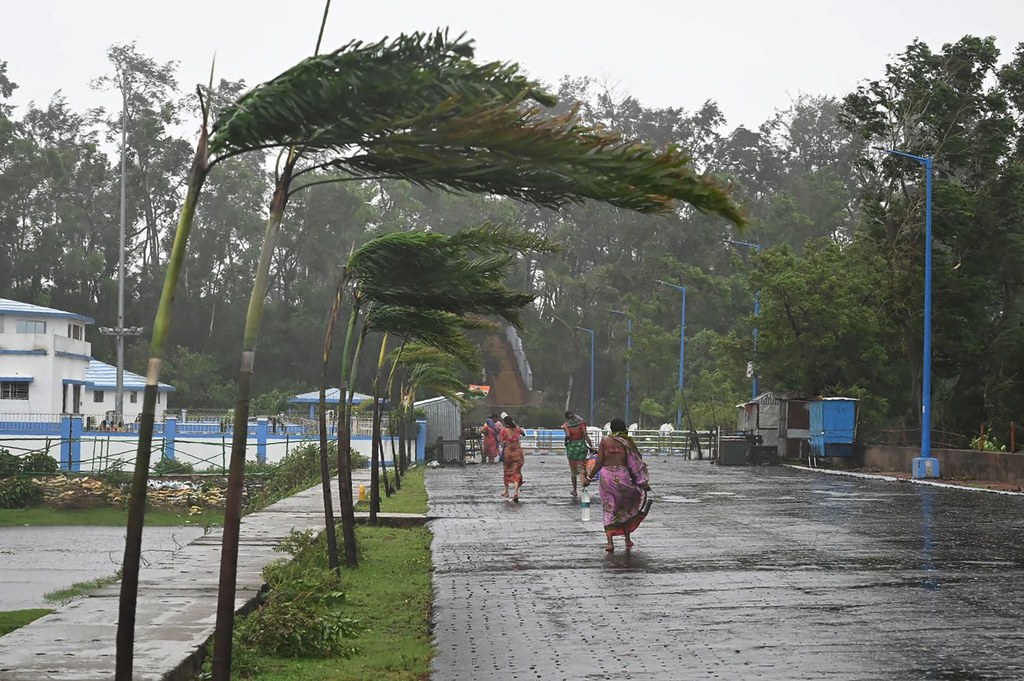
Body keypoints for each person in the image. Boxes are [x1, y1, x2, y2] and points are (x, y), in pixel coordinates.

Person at [583, 417, 651, 552]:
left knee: (609, 507)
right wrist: (642, 482)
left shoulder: (605, 442)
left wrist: (588, 478)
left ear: (611, 429)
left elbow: (599, 462)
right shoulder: (627, 443)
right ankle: (627, 540)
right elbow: (635, 464)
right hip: (622, 477)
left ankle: (610, 543)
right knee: (625, 507)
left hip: (606, 478)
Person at [561, 410, 594, 496]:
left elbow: (568, 435)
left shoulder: (566, 425)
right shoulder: (581, 423)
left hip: (571, 448)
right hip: (581, 447)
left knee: (573, 471)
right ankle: (584, 490)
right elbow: (585, 435)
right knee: (581, 470)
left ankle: (574, 490)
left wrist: (566, 442)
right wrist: (591, 446)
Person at [499, 415, 525, 501]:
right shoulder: (517, 428)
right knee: (516, 472)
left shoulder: (503, 431)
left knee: (507, 471)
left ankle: (506, 491)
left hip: (508, 454)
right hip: (518, 454)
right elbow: (523, 433)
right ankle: (516, 492)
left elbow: (501, 443)